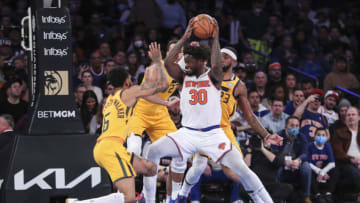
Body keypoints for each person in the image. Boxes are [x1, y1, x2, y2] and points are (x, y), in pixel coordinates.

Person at [143, 17, 282, 203]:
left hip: (214, 135)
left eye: (190, 60)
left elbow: (217, 66)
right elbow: (168, 63)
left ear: (202, 61)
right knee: (153, 151)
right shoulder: (184, 78)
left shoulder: (215, 78)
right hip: (187, 133)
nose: (186, 63)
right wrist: (185, 37)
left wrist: (215, 39)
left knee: (241, 169)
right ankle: (152, 200)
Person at [66, 43, 169, 203]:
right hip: (111, 147)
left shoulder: (111, 100)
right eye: (130, 78)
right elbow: (164, 85)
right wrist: (157, 61)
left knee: (150, 169)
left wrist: (165, 103)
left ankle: (144, 198)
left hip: (107, 147)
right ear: (127, 81)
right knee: (128, 198)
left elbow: (147, 97)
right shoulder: (129, 93)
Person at [125, 40, 182, 202]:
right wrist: (167, 103)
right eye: (173, 51)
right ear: (166, 54)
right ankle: (135, 197)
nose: (176, 54)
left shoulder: (183, 70)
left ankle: (173, 198)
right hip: (141, 112)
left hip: (161, 115)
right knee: (134, 151)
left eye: (179, 51)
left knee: (181, 152)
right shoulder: (153, 69)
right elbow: (145, 94)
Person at [272, 116, 312, 203]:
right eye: (292, 125)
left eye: (297, 126)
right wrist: (285, 162)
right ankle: (277, 197)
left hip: (295, 162)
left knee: (306, 168)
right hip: (281, 162)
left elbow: (305, 153)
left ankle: (306, 196)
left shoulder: (302, 137)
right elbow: (274, 153)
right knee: (277, 169)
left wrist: (298, 160)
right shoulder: (278, 136)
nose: (295, 128)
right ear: (286, 127)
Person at [332, 107, 360, 193]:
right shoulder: (339, 132)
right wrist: (353, 160)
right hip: (346, 163)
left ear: (359, 117)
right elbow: (338, 152)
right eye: (348, 115)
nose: (351, 117)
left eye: (353, 114)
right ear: (346, 118)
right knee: (354, 172)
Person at [307, 128, 337, 203]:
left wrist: (323, 172)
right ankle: (317, 194)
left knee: (336, 171)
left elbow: (332, 163)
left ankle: (328, 193)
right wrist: (319, 172)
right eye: (318, 135)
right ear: (314, 136)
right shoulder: (309, 146)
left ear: (327, 137)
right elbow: (308, 163)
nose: (321, 137)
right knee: (309, 171)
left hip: (324, 169)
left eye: (323, 135)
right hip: (314, 169)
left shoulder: (328, 146)